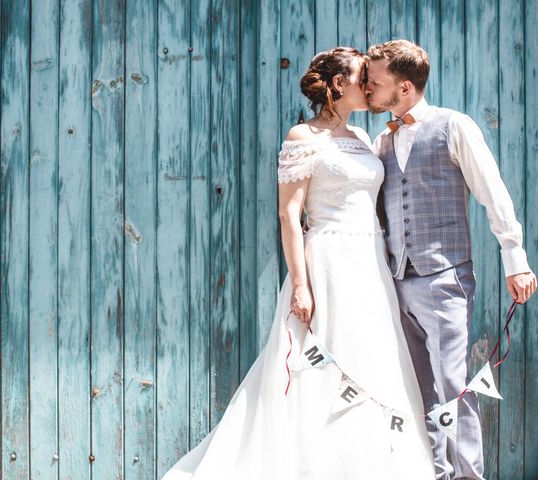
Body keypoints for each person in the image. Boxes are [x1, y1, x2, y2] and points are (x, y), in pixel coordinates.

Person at [162, 47, 435, 479]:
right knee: (325, 361)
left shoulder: (364, 138)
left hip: (370, 260)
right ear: (338, 83)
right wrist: (301, 285)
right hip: (327, 259)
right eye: (362, 74)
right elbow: (290, 215)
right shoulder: (302, 137)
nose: (369, 82)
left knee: (374, 358)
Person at [365, 39, 538, 480]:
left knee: (453, 388)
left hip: (444, 277)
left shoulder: (452, 126)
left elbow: (492, 192)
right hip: (396, 281)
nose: (368, 88)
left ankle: (468, 476)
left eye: (377, 82)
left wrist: (515, 257)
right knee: (418, 389)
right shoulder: (381, 140)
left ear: (404, 88)